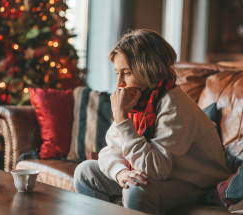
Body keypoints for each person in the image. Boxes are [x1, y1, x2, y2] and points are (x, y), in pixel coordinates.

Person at [73, 29, 231, 215]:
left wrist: (122, 119)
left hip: (194, 184)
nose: (119, 83)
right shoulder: (138, 100)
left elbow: (155, 170)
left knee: (137, 190)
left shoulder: (174, 107)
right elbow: (110, 150)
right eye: (117, 73)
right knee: (85, 172)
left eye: (127, 73)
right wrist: (121, 173)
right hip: (159, 176)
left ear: (148, 69)